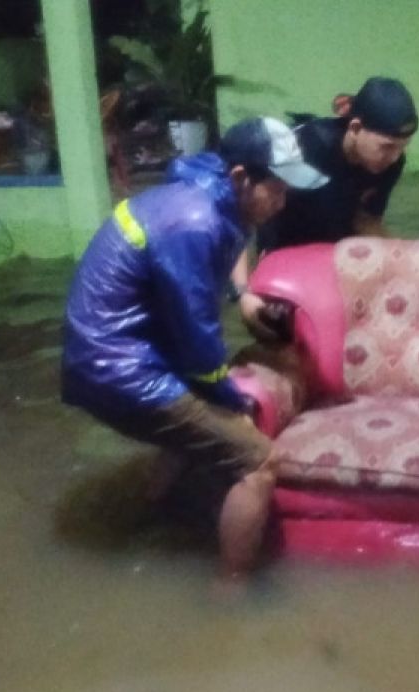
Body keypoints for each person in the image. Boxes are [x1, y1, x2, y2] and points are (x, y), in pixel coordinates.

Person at [61, 117, 327, 576]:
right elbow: (197, 331)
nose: (285, 200)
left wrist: (235, 311)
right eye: (278, 187)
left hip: (109, 356)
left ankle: (146, 515)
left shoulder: (210, 199)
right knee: (257, 458)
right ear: (241, 177)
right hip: (118, 368)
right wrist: (227, 392)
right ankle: (232, 592)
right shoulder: (195, 220)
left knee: (203, 421)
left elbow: (191, 308)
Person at [232, 76, 419, 340]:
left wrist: (408, 264)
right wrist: (244, 292)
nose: (395, 157)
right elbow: (240, 214)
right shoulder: (306, 148)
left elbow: (365, 220)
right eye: (387, 146)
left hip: (331, 256)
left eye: (402, 147)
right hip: (282, 255)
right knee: (278, 335)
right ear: (355, 127)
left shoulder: (389, 164)